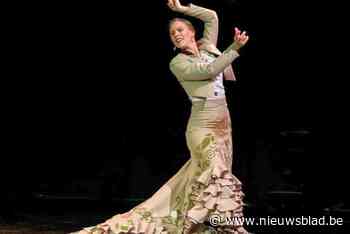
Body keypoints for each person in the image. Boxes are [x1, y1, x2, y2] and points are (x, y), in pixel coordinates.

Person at [71, 0, 249, 233]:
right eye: (172, 33)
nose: (176, 35)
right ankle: (227, 228)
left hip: (223, 125)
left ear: (192, 32)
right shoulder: (178, 63)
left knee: (200, 180)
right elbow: (209, 71)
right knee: (217, 175)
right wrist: (234, 49)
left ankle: (200, 225)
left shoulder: (207, 47)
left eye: (180, 30)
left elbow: (212, 17)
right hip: (202, 128)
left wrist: (184, 10)